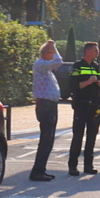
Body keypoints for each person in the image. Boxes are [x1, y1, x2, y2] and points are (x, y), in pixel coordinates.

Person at [68, 42, 100, 176]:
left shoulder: (96, 66)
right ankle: (73, 166)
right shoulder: (77, 66)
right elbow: (73, 86)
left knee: (92, 136)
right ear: (88, 52)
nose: (98, 53)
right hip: (81, 105)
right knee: (78, 135)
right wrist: (88, 82)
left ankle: (88, 165)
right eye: (95, 51)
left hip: (94, 105)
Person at [29, 40, 63, 181]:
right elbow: (59, 61)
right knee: (46, 139)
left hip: (50, 105)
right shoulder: (40, 64)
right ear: (45, 53)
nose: (53, 55)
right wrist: (53, 47)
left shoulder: (46, 69)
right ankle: (37, 171)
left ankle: (41, 169)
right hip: (45, 105)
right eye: (51, 53)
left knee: (48, 139)